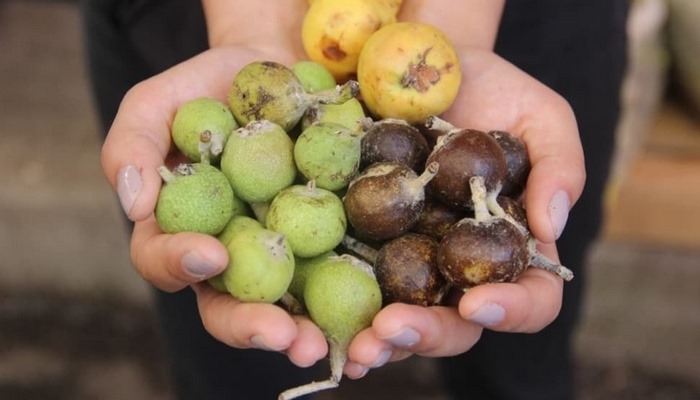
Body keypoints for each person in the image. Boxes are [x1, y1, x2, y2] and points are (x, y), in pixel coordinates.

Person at [81, 0, 629, 399]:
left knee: (515, 363)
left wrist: (455, 28)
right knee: (232, 367)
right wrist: (248, 22)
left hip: (515, 27)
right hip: (195, 19)